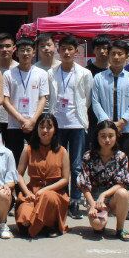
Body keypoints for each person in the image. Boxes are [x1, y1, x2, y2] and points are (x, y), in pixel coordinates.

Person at [47, 34, 93, 219]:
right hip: (57, 124)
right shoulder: (51, 73)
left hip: (77, 124)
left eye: (70, 49)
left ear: (76, 51)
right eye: (63, 49)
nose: (66, 52)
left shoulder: (84, 73)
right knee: (58, 164)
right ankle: (61, 198)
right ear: (58, 51)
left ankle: (75, 200)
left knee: (76, 165)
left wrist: (78, 114)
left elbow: (86, 99)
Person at [91, 40, 129, 202]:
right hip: (104, 130)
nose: (116, 57)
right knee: (103, 160)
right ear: (109, 55)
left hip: (126, 129)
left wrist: (122, 121)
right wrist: (109, 124)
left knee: (128, 162)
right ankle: (102, 194)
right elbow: (95, 102)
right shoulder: (99, 78)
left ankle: (128, 193)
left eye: (120, 54)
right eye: (113, 54)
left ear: (126, 56)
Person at [15, 114, 70, 237]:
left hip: (55, 192)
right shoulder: (28, 149)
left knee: (48, 197)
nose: (45, 130)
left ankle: (50, 225)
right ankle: (39, 225)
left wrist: (45, 190)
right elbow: (18, 174)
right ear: (37, 129)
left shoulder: (62, 151)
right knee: (24, 219)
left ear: (55, 130)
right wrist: (27, 193)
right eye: (41, 127)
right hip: (32, 193)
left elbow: (65, 179)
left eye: (49, 127)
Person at [78, 120, 129, 241]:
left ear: (116, 136)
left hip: (113, 198)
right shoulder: (88, 156)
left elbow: (123, 183)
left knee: (123, 193)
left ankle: (120, 229)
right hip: (94, 199)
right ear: (97, 137)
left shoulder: (121, 156)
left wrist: (103, 195)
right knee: (98, 225)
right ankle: (100, 223)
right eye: (103, 136)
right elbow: (84, 185)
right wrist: (93, 205)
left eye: (110, 136)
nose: (107, 140)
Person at [2, 37, 49, 163]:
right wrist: (21, 119)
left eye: (28, 50)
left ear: (33, 52)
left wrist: (33, 120)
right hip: (14, 124)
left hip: (35, 123)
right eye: (22, 50)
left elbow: (43, 98)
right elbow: (5, 101)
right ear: (16, 52)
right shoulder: (8, 74)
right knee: (14, 160)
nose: (25, 53)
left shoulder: (41, 73)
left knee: (38, 158)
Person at [0, 32, 18, 130]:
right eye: (1, 46)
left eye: (8, 46)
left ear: (14, 48)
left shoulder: (20, 69)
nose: (4, 49)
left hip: (15, 118)